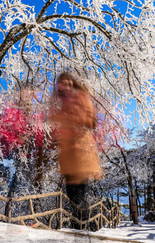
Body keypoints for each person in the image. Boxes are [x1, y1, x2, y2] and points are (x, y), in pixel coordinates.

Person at [50, 72, 101, 230]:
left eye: (68, 81)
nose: (65, 83)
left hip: (81, 154)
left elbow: (91, 121)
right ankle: (81, 228)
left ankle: (84, 230)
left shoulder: (81, 97)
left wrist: (67, 119)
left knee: (78, 196)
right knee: (72, 196)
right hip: (68, 156)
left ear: (73, 83)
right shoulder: (60, 102)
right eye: (61, 81)